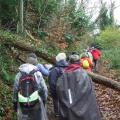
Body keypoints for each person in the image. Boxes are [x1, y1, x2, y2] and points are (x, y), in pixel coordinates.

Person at [57, 53, 101, 120]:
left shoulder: (62, 77)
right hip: (85, 111)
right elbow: (90, 93)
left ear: (69, 63)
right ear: (79, 63)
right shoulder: (84, 75)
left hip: (69, 112)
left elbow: (59, 92)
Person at [13, 53, 48, 120]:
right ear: (35, 62)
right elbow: (44, 89)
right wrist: (44, 100)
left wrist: (15, 102)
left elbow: (15, 89)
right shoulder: (37, 73)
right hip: (36, 102)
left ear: (26, 61)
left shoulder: (19, 74)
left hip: (22, 102)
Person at [48, 53, 68, 117]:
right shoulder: (69, 68)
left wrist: (53, 92)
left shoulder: (54, 70)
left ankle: (58, 114)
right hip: (67, 90)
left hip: (58, 91)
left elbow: (52, 83)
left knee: (56, 101)